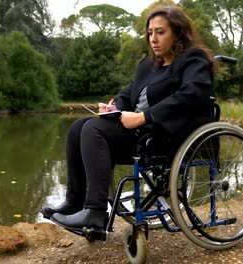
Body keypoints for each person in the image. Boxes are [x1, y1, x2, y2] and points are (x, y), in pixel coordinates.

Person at [40, 5, 216, 231]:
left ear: (178, 32)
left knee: (93, 129)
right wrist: (114, 107)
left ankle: (95, 212)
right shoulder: (148, 65)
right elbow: (129, 93)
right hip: (140, 134)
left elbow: (193, 94)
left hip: (167, 135)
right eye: (150, 33)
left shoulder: (193, 59)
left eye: (160, 32)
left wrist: (144, 116)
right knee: (77, 127)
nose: (153, 38)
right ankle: (75, 203)